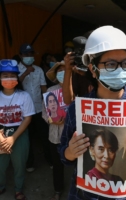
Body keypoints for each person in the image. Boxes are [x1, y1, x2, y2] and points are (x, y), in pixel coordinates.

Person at [58, 25, 126, 200]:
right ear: (92, 69)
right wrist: (70, 151)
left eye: (124, 63)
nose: (120, 69)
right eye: (110, 64)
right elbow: (63, 156)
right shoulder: (77, 109)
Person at [0, 59, 35, 200]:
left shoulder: (24, 96)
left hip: (19, 132)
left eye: (12, 75)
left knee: (19, 164)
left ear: (17, 77)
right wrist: (2, 138)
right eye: (5, 75)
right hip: (1, 132)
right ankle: (1, 186)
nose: (9, 78)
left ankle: (18, 189)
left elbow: (27, 118)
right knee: (1, 165)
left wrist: (13, 138)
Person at [18, 43, 52, 172]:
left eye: (31, 54)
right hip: (23, 111)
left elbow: (43, 88)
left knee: (44, 135)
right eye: (26, 54)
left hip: (39, 108)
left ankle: (50, 160)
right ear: (20, 55)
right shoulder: (16, 69)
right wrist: (26, 73)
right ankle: (29, 163)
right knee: (27, 138)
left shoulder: (38, 70)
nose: (29, 56)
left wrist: (48, 107)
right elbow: (14, 84)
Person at [42, 61, 72, 200]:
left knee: (76, 163)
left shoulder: (75, 89)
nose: (62, 73)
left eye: (65, 70)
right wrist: (52, 120)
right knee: (57, 164)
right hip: (55, 134)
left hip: (73, 135)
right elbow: (44, 113)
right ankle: (58, 189)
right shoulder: (50, 91)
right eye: (59, 70)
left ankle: (78, 187)